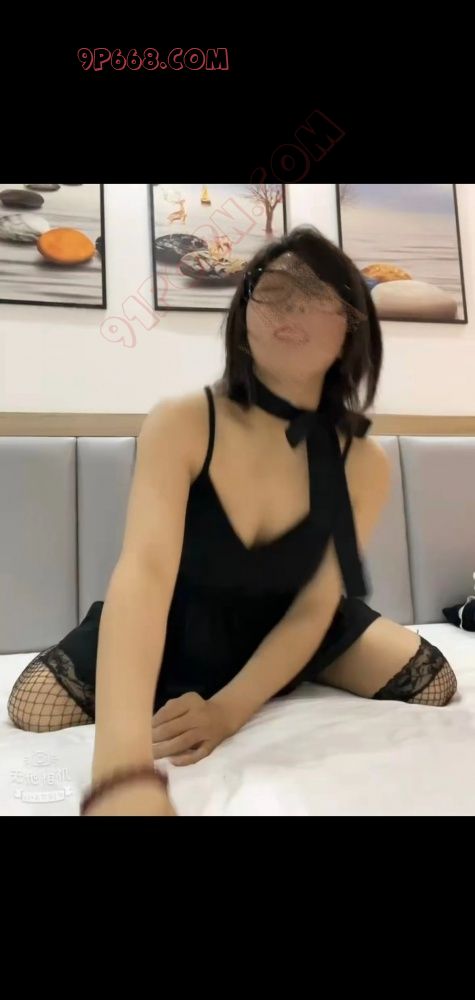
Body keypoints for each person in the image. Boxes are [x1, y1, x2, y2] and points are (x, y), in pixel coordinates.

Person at [7, 226, 458, 816]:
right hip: (181, 616)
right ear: (243, 315)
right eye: (271, 291)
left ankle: (275, 675)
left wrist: (229, 710)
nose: (289, 309)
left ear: (354, 325)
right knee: (33, 706)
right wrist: (121, 773)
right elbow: (144, 573)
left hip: (292, 617)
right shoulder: (184, 422)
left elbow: (316, 606)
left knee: (435, 683)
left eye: (316, 294)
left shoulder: (365, 461)